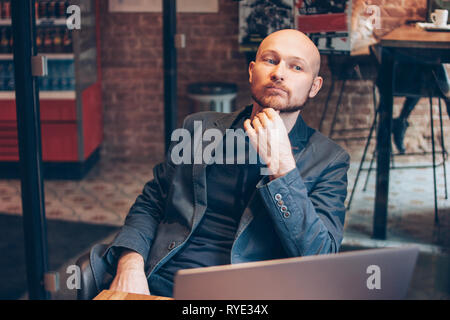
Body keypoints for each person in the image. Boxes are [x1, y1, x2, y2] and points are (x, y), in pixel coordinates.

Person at [93, 29, 350, 298]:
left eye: (296, 67)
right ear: (252, 71)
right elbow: (152, 203)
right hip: (161, 284)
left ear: (314, 86)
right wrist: (130, 265)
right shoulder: (199, 128)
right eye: (270, 60)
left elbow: (319, 258)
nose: (278, 73)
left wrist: (283, 169)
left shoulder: (329, 160)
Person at [392, 63, 450, 154]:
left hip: (414, 80)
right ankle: (399, 122)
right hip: (404, 78)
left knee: (422, 78)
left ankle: (400, 122)